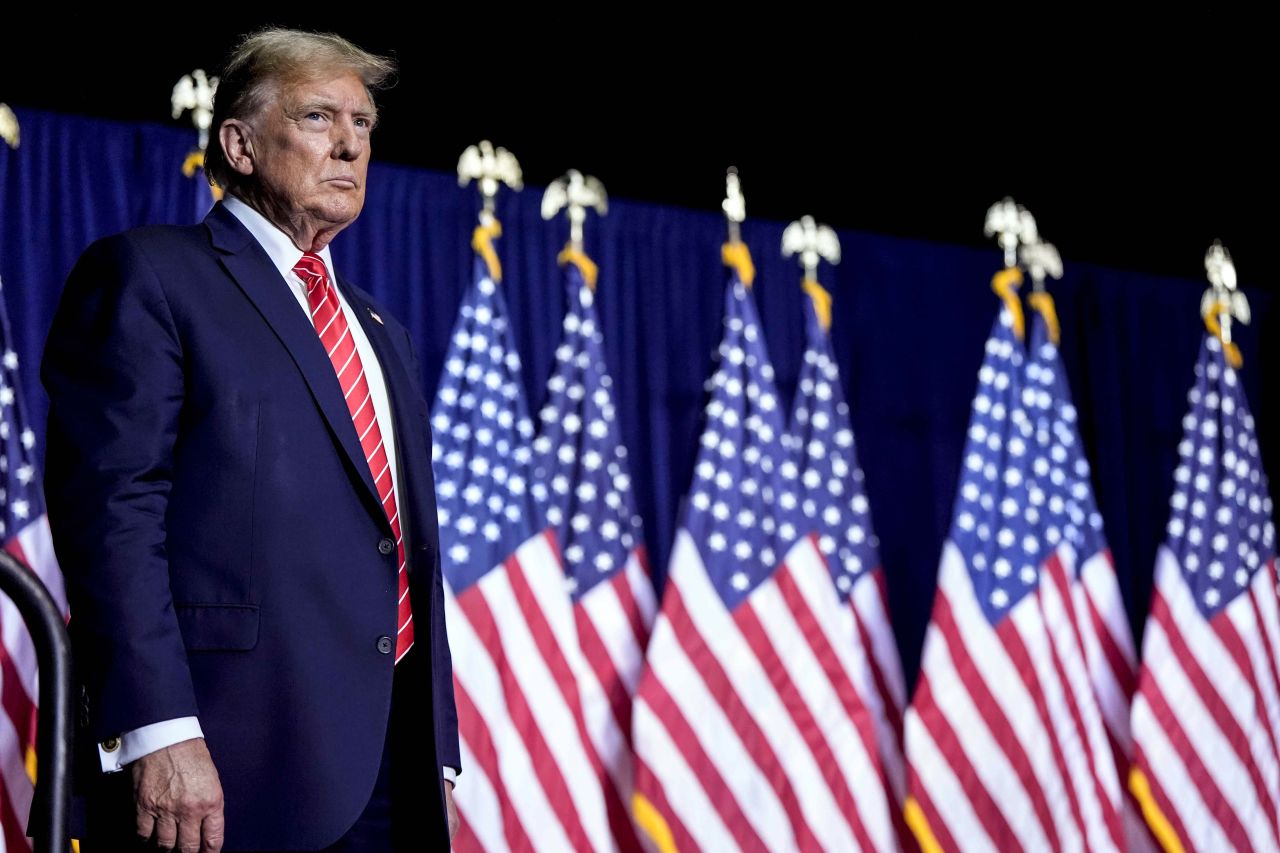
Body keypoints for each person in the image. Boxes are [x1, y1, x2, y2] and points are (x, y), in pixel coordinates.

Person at [41, 28, 459, 852]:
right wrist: (159, 727)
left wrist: (433, 747)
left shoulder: (379, 329)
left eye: (364, 123)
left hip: (385, 764)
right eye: (317, 116)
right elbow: (112, 514)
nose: (349, 143)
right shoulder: (151, 275)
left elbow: (399, 547)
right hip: (224, 765)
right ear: (238, 143)